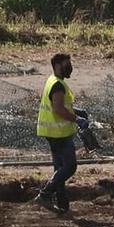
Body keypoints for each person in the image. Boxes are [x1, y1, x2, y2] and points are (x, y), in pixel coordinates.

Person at [34, 52, 79, 214]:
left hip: (52, 131)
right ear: (58, 65)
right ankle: (45, 194)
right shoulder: (58, 85)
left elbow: (59, 104)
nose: (70, 67)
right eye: (67, 64)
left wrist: (78, 112)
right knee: (70, 167)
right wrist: (77, 119)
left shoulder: (52, 81)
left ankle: (62, 205)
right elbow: (58, 108)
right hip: (59, 133)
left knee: (59, 169)